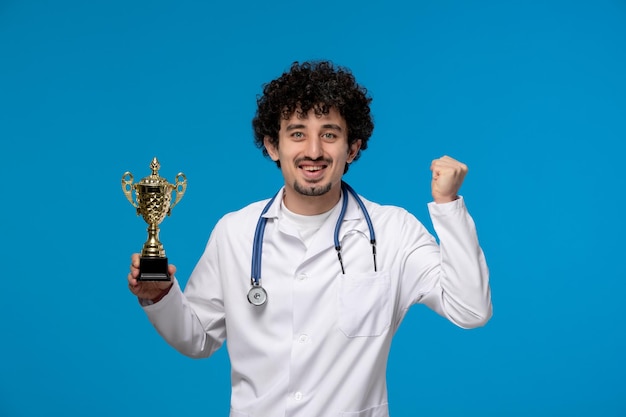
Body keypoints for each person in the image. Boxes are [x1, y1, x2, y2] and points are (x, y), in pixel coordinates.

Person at [127, 60, 492, 416]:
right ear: (273, 146)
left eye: (329, 134)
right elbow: (198, 339)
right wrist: (160, 296)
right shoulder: (235, 232)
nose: (313, 151)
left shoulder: (393, 231)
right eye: (297, 133)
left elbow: (471, 309)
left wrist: (447, 205)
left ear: (352, 148)